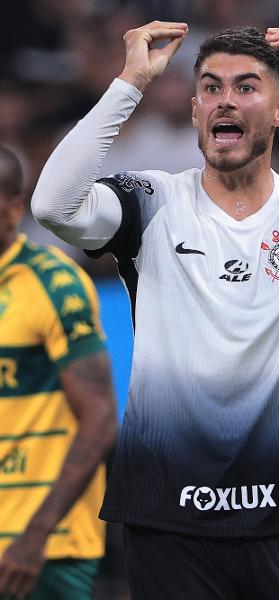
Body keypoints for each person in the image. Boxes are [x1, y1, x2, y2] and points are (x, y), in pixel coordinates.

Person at [31, 19, 279, 600]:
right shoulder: (154, 201)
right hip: (168, 515)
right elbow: (53, 205)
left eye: (246, 87)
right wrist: (130, 82)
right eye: (211, 88)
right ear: (195, 112)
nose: (225, 100)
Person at [0, 145, 118, 600]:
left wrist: (35, 536)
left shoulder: (54, 283)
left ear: (13, 209)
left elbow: (100, 418)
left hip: (44, 546)